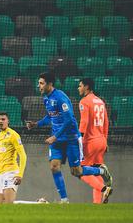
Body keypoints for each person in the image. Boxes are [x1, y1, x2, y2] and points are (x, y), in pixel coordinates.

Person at [26, 72, 110, 203]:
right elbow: (50, 116)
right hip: (57, 140)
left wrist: (55, 136)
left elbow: (69, 120)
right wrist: (36, 124)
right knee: (54, 166)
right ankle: (64, 199)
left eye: (41, 83)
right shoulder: (46, 98)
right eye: (39, 83)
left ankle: (100, 170)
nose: (39, 86)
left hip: (71, 138)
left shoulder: (61, 98)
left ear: (50, 84)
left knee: (76, 171)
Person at [78, 78, 112, 203]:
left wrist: (79, 138)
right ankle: (97, 204)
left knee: (80, 171)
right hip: (101, 140)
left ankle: (104, 189)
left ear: (86, 87)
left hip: (90, 142)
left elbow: (84, 121)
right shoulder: (100, 101)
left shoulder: (84, 101)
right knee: (96, 173)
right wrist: (105, 139)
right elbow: (106, 122)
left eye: (80, 86)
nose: (78, 88)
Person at [0, 112, 27, 203]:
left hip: (11, 172)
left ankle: (40, 203)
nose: (1, 121)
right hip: (1, 174)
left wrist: (20, 174)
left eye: (3, 119)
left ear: (8, 121)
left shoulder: (13, 135)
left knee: (8, 203)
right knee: (1, 204)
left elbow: (23, 155)